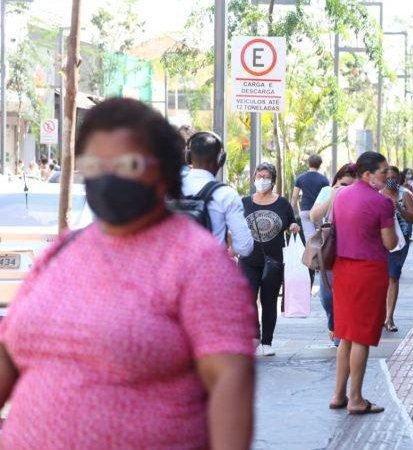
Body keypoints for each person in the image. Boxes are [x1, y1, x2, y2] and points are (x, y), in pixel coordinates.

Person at [0, 98, 256, 449]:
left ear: (163, 170)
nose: (107, 176)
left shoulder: (198, 263)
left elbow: (230, 380)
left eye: (126, 164)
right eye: (94, 164)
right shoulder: (62, 251)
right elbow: (8, 352)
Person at [329, 151, 397, 415]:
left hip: (342, 269)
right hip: (368, 271)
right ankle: (355, 398)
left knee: (345, 334)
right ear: (367, 174)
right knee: (361, 338)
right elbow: (390, 243)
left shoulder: (340, 195)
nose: (387, 177)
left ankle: (338, 394)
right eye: (383, 172)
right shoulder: (381, 203)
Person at [239, 162, 300, 357]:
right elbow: (236, 227)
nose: (262, 180)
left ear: (272, 180)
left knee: (269, 301)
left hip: (273, 261)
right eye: (259, 176)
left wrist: (293, 227)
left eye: (266, 177)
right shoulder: (245, 202)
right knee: (247, 299)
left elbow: (291, 221)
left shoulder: (282, 203)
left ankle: (267, 341)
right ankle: (255, 335)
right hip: (248, 259)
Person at [309, 162, 359, 347]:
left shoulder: (358, 196)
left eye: (351, 185)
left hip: (353, 251)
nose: (346, 189)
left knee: (348, 295)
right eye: (344, 184)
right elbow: (314, 217)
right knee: (327, 296)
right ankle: (334, 325)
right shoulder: (327, 191)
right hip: (329, 249)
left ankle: (343, 333)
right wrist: (334, 195)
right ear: (337, 179)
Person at [184, 131, 254, 257]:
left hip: (171, 273)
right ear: (220, 159)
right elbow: (244, 247)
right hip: (209, 271)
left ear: (188, 156)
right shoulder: (226, 194)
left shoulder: (168, 188)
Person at [382, 166, 413, 332]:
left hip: (400, 242)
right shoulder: (378, 194)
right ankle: (380, 315)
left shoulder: (404, 194)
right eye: (388, 177)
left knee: (393, 277)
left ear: (399, 179)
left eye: (394, 178)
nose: (391, 180)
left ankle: (389, 317)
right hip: (381, 242)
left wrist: (400, 209)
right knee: (380, 278)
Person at [292, 154, 330, 243]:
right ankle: (318, 255)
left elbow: (294, 197)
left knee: (309, 238)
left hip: (305, 211)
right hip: (318, 212)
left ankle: (310, 255)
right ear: (320, 164)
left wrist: (291, 213)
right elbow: (328, 197)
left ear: (308, 163)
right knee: (320, 237)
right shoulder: (324, 180)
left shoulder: (300, 178)